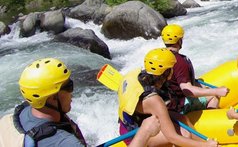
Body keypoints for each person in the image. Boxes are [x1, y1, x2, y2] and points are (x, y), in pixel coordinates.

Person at [0, 58, 159, 147]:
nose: (72, 92)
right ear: (52, 98)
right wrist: (144, 133)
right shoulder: (64, 142)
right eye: (69, 86)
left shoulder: (21, 112)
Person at [117, 48, 217, 147]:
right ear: (166, 72)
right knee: (184, 134)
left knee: (181, 118)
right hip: (134, 136)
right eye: (171, 68)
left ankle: (203, 142)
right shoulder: (155, 101)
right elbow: (172, 137)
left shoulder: (133, 75)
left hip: (127, 124)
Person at [160, 24, 229, 114]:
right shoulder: (179, 61)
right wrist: (216, 91)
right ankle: (209, 121)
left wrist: (204, 88)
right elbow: (187, 90)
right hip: (179, 105)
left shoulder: (160, 56)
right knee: (214, 95)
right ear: (179, 41)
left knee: (207, 90)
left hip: (164, 103)